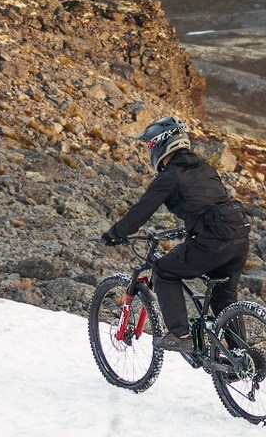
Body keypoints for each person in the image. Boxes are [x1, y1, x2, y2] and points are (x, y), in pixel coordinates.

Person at [100, 116, 250, 362]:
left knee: (163, 270)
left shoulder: (170, 176)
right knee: (224, 297)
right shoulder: (204, 167)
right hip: (238, 239)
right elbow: (207, 204)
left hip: (211, 242)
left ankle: (180, 334)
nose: (150, 150)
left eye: (150, 145)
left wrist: (115, 233)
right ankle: (240, 359)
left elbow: (142, 211)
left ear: (161, 144)